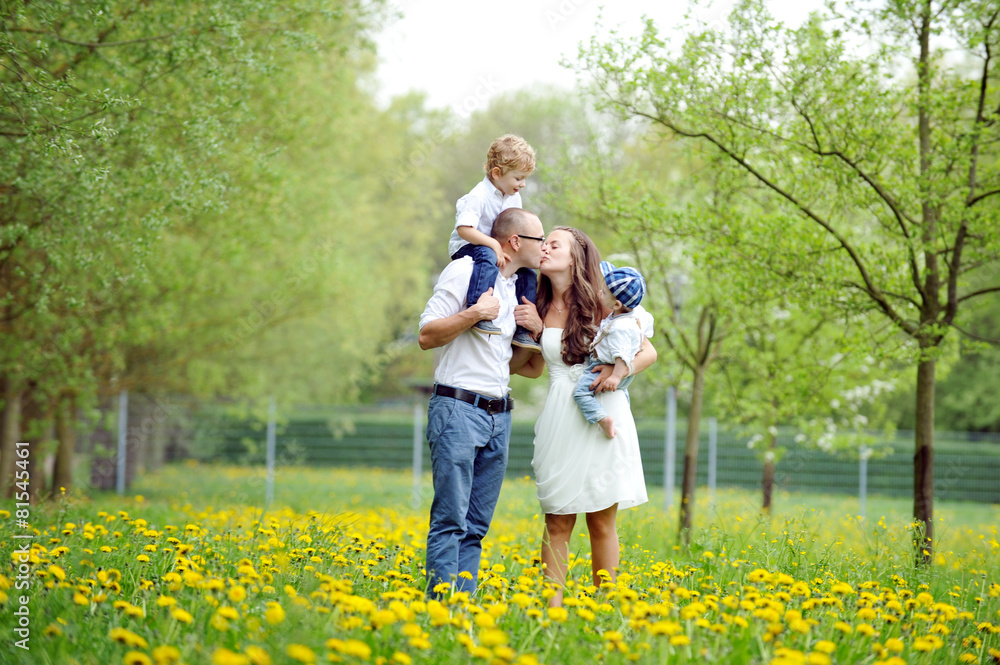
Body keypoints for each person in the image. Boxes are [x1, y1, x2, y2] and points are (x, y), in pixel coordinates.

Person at [516, 227, 656, 608]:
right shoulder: (537, 305)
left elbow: (648, 352)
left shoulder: (605, 301)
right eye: (543, 243)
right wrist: (530, 331)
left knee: (600, 519)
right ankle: (550, 612)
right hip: (559, 415)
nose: (544, 248)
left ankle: (605, 608)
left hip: (601, 411)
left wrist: (616, 375)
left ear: (576, 255)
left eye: (553, 243)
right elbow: (528, 369)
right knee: (557, 520)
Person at [418, 207, 546, 597]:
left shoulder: (515, 289)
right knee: (451, 520)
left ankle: (462, 607)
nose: (544, 248)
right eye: (540, 240)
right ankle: (439, 606)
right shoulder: (467, 273)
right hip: (457, 409)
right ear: (515, 242)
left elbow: (525, 369)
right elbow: (426, 335)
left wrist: (538, 330)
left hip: (498, 415)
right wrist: (475, 313)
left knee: (475, 526)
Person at [449, 134, 541, 351]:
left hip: (494, 248)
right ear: (497, 173)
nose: (523, 184)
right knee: (488, 256)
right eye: (518, 178)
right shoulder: (478, 196)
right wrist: (494, 245)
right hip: (468, 246)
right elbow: (464, 229)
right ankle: (477, 306)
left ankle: (523, 330)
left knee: (528, 272)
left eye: (525, 178)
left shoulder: (512, 197)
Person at [573, 261, 650, 439]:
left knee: (581, 393)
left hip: (607, 366)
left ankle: (602, 419)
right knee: (623, 395)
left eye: (604, 291)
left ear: (616, 304)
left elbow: (621, 354)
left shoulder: (620, 327)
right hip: (619, 370)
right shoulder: (632, 314)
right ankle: (622, 415)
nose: (600, 292)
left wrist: (615, 376)